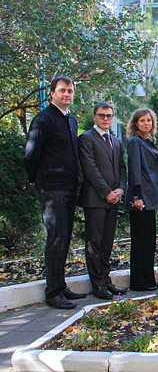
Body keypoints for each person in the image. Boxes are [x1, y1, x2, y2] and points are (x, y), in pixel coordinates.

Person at [23, 76, 86, 309]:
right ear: (52, 93)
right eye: (62, 90)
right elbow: (31, 154)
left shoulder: (71, 120)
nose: (67, 94)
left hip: (69, 187)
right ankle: (53, 293)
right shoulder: (44, 119)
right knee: (56, 238)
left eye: (70, 91)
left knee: (65, 237)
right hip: (52, 188)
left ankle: (60, 285)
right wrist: (34, 179)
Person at [78, 102, 128, 300]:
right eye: (102, 116)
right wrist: (106, 192)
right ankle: (97, 285)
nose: (106, 119)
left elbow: (122, 168)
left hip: (113, 199)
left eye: (109, 116)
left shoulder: (115, 141)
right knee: (95, 243)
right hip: (95, 199)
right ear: (94, 117)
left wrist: (120, 189)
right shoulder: (86, 139)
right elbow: (90, 168)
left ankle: (106, 281)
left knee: (107, 242)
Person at [125, 108, 158, 291]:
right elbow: (134, 170)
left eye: (149, 120)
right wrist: (137, 197)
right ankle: (139, 282)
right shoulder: (135, 142)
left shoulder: (149, 142)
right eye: (142, 121)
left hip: (151, 198)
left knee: (149, 242)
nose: (146, 123)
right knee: (141, 242)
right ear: (135, 124)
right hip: (141, 199)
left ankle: (148, 279)